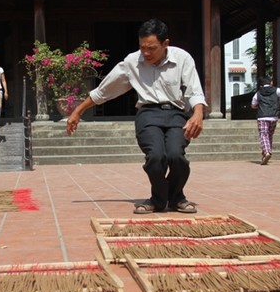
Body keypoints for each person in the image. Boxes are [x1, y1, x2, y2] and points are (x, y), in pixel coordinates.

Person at [66, 19, 207, 214]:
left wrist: (198, 113)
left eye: (152, 48)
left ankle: (175, 198)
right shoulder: (132, 62)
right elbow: (104, 90)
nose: (146, 53)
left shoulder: (183, 58)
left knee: (176, 156)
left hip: (176, 113)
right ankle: (159, 200)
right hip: (148, 114)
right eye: (143, 48)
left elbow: (194, 90)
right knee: (156, 157)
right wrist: (77, 111)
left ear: (166, 44)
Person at [251, 76, 280, 165]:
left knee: (264, 135)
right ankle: (265, 154)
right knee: (269, 136)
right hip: (274, 116)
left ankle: (267, 152)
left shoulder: (258, 93)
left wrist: (258, 106)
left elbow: (253, 105)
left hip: (262, 116)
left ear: (261, 85)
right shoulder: (276, 90)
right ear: (271, 82)